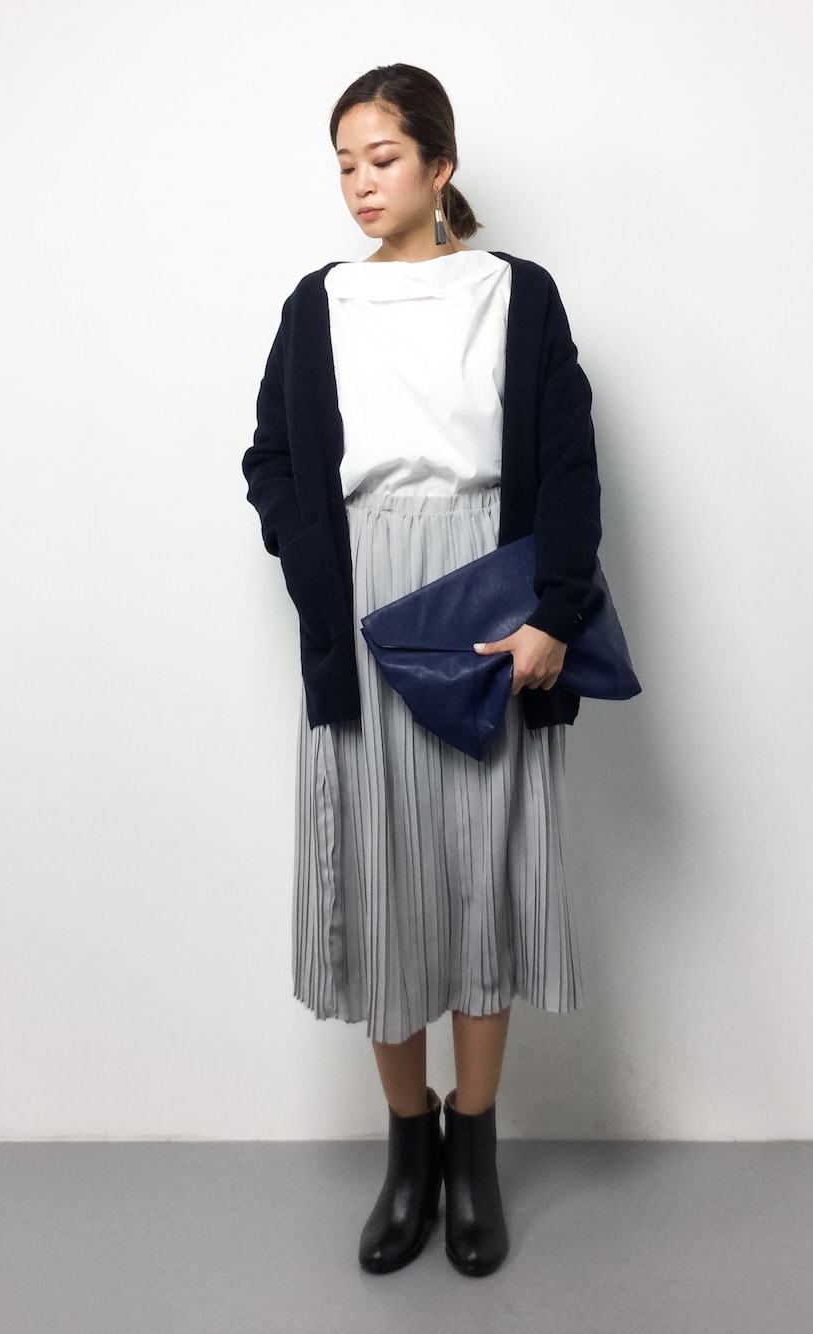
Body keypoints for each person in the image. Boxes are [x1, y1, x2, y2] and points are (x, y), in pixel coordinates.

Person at [242, 63, 603, 1278]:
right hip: (361, 607)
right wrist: (314, 562)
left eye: (382, 157)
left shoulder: (517, 293)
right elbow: (271, 457)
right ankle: (408, 1148)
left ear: (440, 165)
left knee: (480, 868)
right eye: (344, 162)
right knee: (380, 875)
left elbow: (567, 459)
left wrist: (554, 608)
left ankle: (474, 1146)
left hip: (488, 601)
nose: (359, 182)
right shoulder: (319, 303)